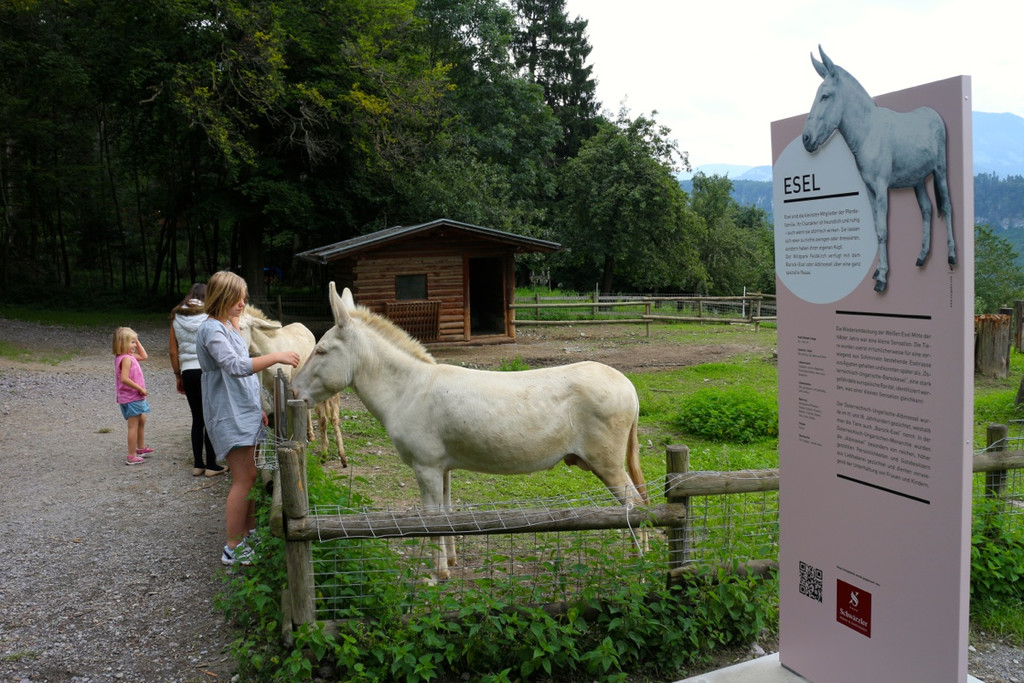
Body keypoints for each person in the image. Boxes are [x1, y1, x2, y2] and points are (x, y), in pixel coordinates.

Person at [196, 271, 300, 566]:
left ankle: (249, 534)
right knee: (244, 479)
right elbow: (236, 366)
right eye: (237, 298)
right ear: (221, 297)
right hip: (228, 411)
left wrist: (258, 408)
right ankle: (232, 546)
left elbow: (246, 376)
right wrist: (276, 356)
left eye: (244, 298)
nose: (243, 303)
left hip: (243, 409)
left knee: (250, 477)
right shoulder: (212, 330)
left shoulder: (229, 325)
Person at [169, 283, 224, 477]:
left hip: (187, 371)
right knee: (210, 417)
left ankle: (198, 464)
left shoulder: (176, 315)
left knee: (197, 419)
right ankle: (212, 465)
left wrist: (178, 375)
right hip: (206, 370)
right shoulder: (210, 315)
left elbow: (173, 351)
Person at [113, 327, 153, 465]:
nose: (135, 345)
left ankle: (140, 448)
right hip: (132, 397)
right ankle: (131, 455)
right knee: (133, 426)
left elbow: (144, 356)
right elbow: (124, 379)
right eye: (132, 342)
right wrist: (140, 388)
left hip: (132, 397)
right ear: (122, 344)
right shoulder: (126, 359)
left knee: (142, 418)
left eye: (135, 342)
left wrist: (137, 341)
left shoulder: (126, 356)